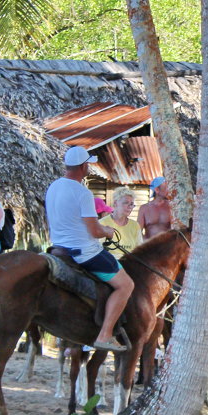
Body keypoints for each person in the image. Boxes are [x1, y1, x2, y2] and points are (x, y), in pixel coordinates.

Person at [46, 145, 134, 352]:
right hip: (85, 252)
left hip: (58, 247)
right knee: (126, 285)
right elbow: (94, 231)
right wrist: (108, 232)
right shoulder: (82, 193)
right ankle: (105, 335)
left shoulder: (54, 186)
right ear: (84, 166)